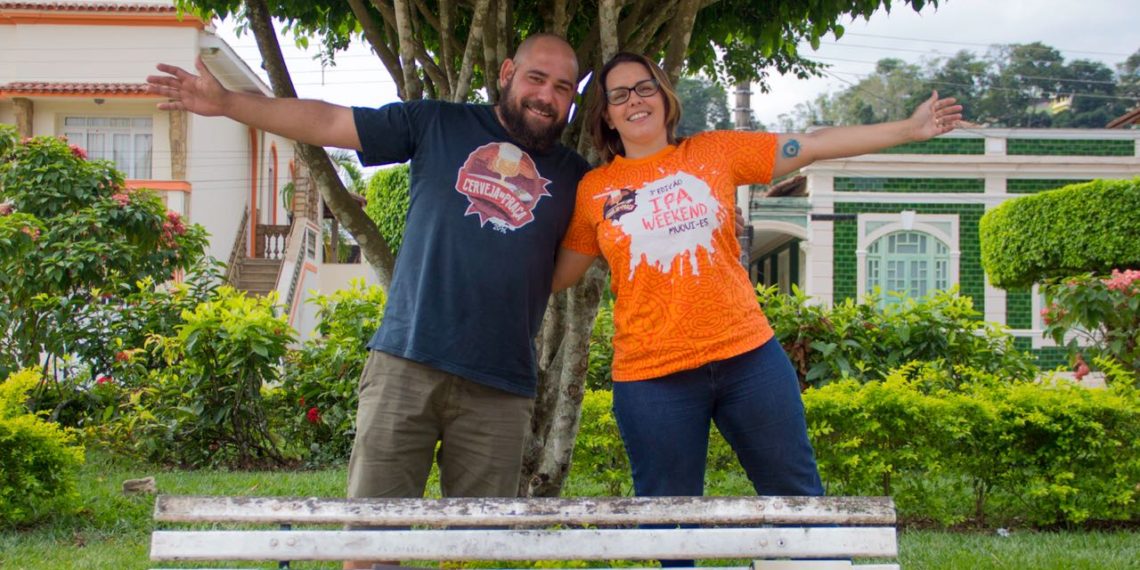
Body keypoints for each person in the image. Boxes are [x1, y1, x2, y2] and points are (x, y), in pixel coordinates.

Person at [147, 34, 590, 570]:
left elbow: (565, 268)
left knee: (476, 552)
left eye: (562, 87)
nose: (546, 95)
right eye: (536, 78)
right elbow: (330, 122)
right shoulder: (438, 123)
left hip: (500, 385)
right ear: (505, 74)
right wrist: (228, 104)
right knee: (369, 547)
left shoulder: (574, 177)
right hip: (406, 362)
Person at [552, 52, 962, 565]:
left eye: (645, 88)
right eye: (619, 95)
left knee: (797, 501)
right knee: (668, 526)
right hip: (651, 377)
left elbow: (811, 146)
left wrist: (909, 128)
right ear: (607, 115)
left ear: (664, 97)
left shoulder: (716, 151)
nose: (635, 101)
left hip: (749, 360)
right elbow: (555, 274)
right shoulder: (594, 192)